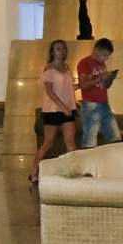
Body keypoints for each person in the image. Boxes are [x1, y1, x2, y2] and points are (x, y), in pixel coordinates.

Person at [30, 39, 77, 184]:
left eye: (63, 48)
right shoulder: (49, 68)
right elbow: (49, 91)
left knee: (70, 142)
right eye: (58, 48)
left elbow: (69, 88)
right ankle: (34, 171)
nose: (61, 51)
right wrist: (62, 106)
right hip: (52, 110)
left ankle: (73, 171)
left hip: (68, 109)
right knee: (48, 143)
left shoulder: (67, 68)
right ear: (52, 52)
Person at [76, 37, 120, 149]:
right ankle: (88, 160)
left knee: (115, 137)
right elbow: (83, 85)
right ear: (96, 50)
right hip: (91, 104)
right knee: (90, 140)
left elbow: (105, 86)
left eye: (107, 56)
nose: (105, 58)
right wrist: (100, 78)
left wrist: (110, 78)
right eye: (104, 55)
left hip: (104, 103)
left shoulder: (102, 65)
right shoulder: (84, 63)